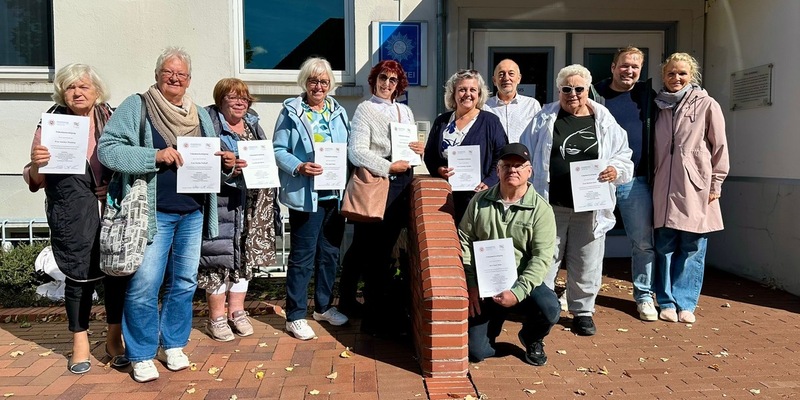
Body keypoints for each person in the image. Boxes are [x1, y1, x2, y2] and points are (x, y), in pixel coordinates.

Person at [98, 47, 232, 382]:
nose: (175, 78)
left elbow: (208, 161)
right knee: (145, 283)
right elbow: (108, 149)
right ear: (158, 75)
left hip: (193, 212)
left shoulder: (200, 115)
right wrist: (154, 156)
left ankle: (172, 344)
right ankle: (141, 352)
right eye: (168, 72)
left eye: (182, 74)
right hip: (152, 213)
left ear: (189, 79)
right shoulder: (137, 106)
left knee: (185, 282)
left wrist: (226, 165)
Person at [23, 63, 129, 374]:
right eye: (70, 87)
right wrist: (37, 163)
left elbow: (128, 158)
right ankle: (80, 341)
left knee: (115, 275)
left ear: (97, 92)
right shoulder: (51, 121)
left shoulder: (112, 118)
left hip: (111, 208)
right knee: (78, 278)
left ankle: (113, 337)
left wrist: (114, 182)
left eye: (84, 86)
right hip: (71, 210)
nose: (77, 92)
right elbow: (34, 178)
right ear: (62, 92)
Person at [519, 64, 633, 336]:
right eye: (566, 89)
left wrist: (615, 170)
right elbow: (525, 150)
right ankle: (543, 307)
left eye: (579, 89)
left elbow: (623, 154)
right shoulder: (544, 117)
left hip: (590, 206)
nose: (573, 94)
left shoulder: (603, 119)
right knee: (546, 258)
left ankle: (582, 311)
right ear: (559, 90)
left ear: (588, 89)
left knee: (587, 259)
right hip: (551, 205)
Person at [338, 60, 424, 335]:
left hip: (402, 184)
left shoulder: (404, 111)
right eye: (383, 78)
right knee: (370, 249)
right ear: (374, 80)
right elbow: (357, 152)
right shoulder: (365, 109)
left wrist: (416, 150)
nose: (387, 84)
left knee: (387, 249)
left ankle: (377, 305)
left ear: (399, 85)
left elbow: (408, 148)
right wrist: (388, 166)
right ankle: (368, 311)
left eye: (393, 80)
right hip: (378, 184)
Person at [459, 143, 560, 366]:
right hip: (484, 287)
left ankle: (532, 337)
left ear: (529, 171)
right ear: (498, 170)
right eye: (506, 165)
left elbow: (542, 258)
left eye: (518, 166)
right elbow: (464, 240)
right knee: (477, 352)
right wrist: (471, 283)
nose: (512, 170)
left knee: (550, 309)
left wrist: (518, 291)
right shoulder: (480, 201)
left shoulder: (541, 209)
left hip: (521, 283)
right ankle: (493, 337)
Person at [274, 57, 350, 340]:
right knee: (303, 257)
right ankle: (294, 315)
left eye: (324, 81)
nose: (318, 86)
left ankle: (322, 307)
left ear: (330, 84)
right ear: (305, 82)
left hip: (334, 194)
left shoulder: (338, 112)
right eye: (313, 81)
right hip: (307, 195)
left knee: (330, 254)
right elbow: (278, 149)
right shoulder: (291, 112)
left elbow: (349, 148)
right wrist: (299, 166)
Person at [199, 78, 279, 341]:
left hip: (253, 205)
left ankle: (237, 312)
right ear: (220, 100)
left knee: (245, 260)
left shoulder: (254, 125)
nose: (239, 101)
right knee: (218, 261)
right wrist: (229, 167)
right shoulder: (208, 126)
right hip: (224, 204)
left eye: (243, 97)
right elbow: (203, 165)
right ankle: (217, 318)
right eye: (232, 97)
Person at [652, 52, 729, 324]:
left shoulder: (707, 104)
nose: (676, 78)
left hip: (696, 188)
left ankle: (686, 302)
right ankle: (665, 301)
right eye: (671, 73)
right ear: (664, 75)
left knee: (692, 246)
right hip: (663, 188)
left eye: (682, 73)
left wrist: (715, 183)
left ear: (691, 75)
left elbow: (719, 148)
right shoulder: (658, 106)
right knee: (664, 247)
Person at [589, 46, 658, 321]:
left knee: (642, 241)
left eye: (635, 67)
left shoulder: (646, 95)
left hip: (635, 180)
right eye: (624, 65)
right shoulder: (595, 94)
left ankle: (644, 296)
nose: (629, 71)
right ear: (613, 66)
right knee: (590, 238)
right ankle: (583, 292)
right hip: (598, 179)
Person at [424, 69, 508, 223]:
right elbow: (430, 154)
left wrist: (489, 182)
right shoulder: (442, 121)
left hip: (480, 198)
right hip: (447, 199)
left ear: (479, 94)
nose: (467, 94)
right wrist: (438, 169)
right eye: (462, 89)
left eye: (472, 90)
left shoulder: (490, 122)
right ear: (453, 93)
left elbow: (502, 155)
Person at [483, 59, 542, 143]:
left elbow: (540, 137)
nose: (506, 78)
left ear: (519, 78)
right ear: (494, 80)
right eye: (501, 74)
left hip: (524, 155)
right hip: (496, 156)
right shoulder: (485, 107)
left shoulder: (532, 105)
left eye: (511, 74)